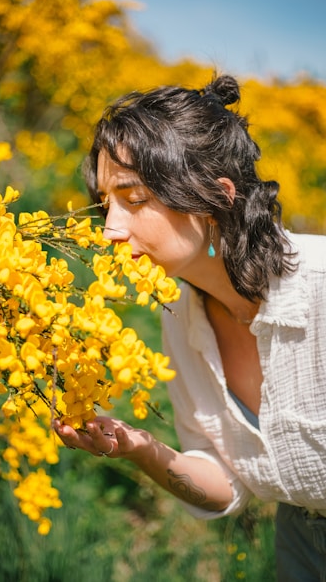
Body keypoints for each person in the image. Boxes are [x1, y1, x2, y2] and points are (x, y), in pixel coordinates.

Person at [53, 74, 326, 581]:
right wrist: (139, 449)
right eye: (105, 203)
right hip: (302, 546)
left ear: (215, 197)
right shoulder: (178, 311)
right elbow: (225, 483)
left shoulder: (321, 288)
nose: (109, 230)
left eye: (133, 200)